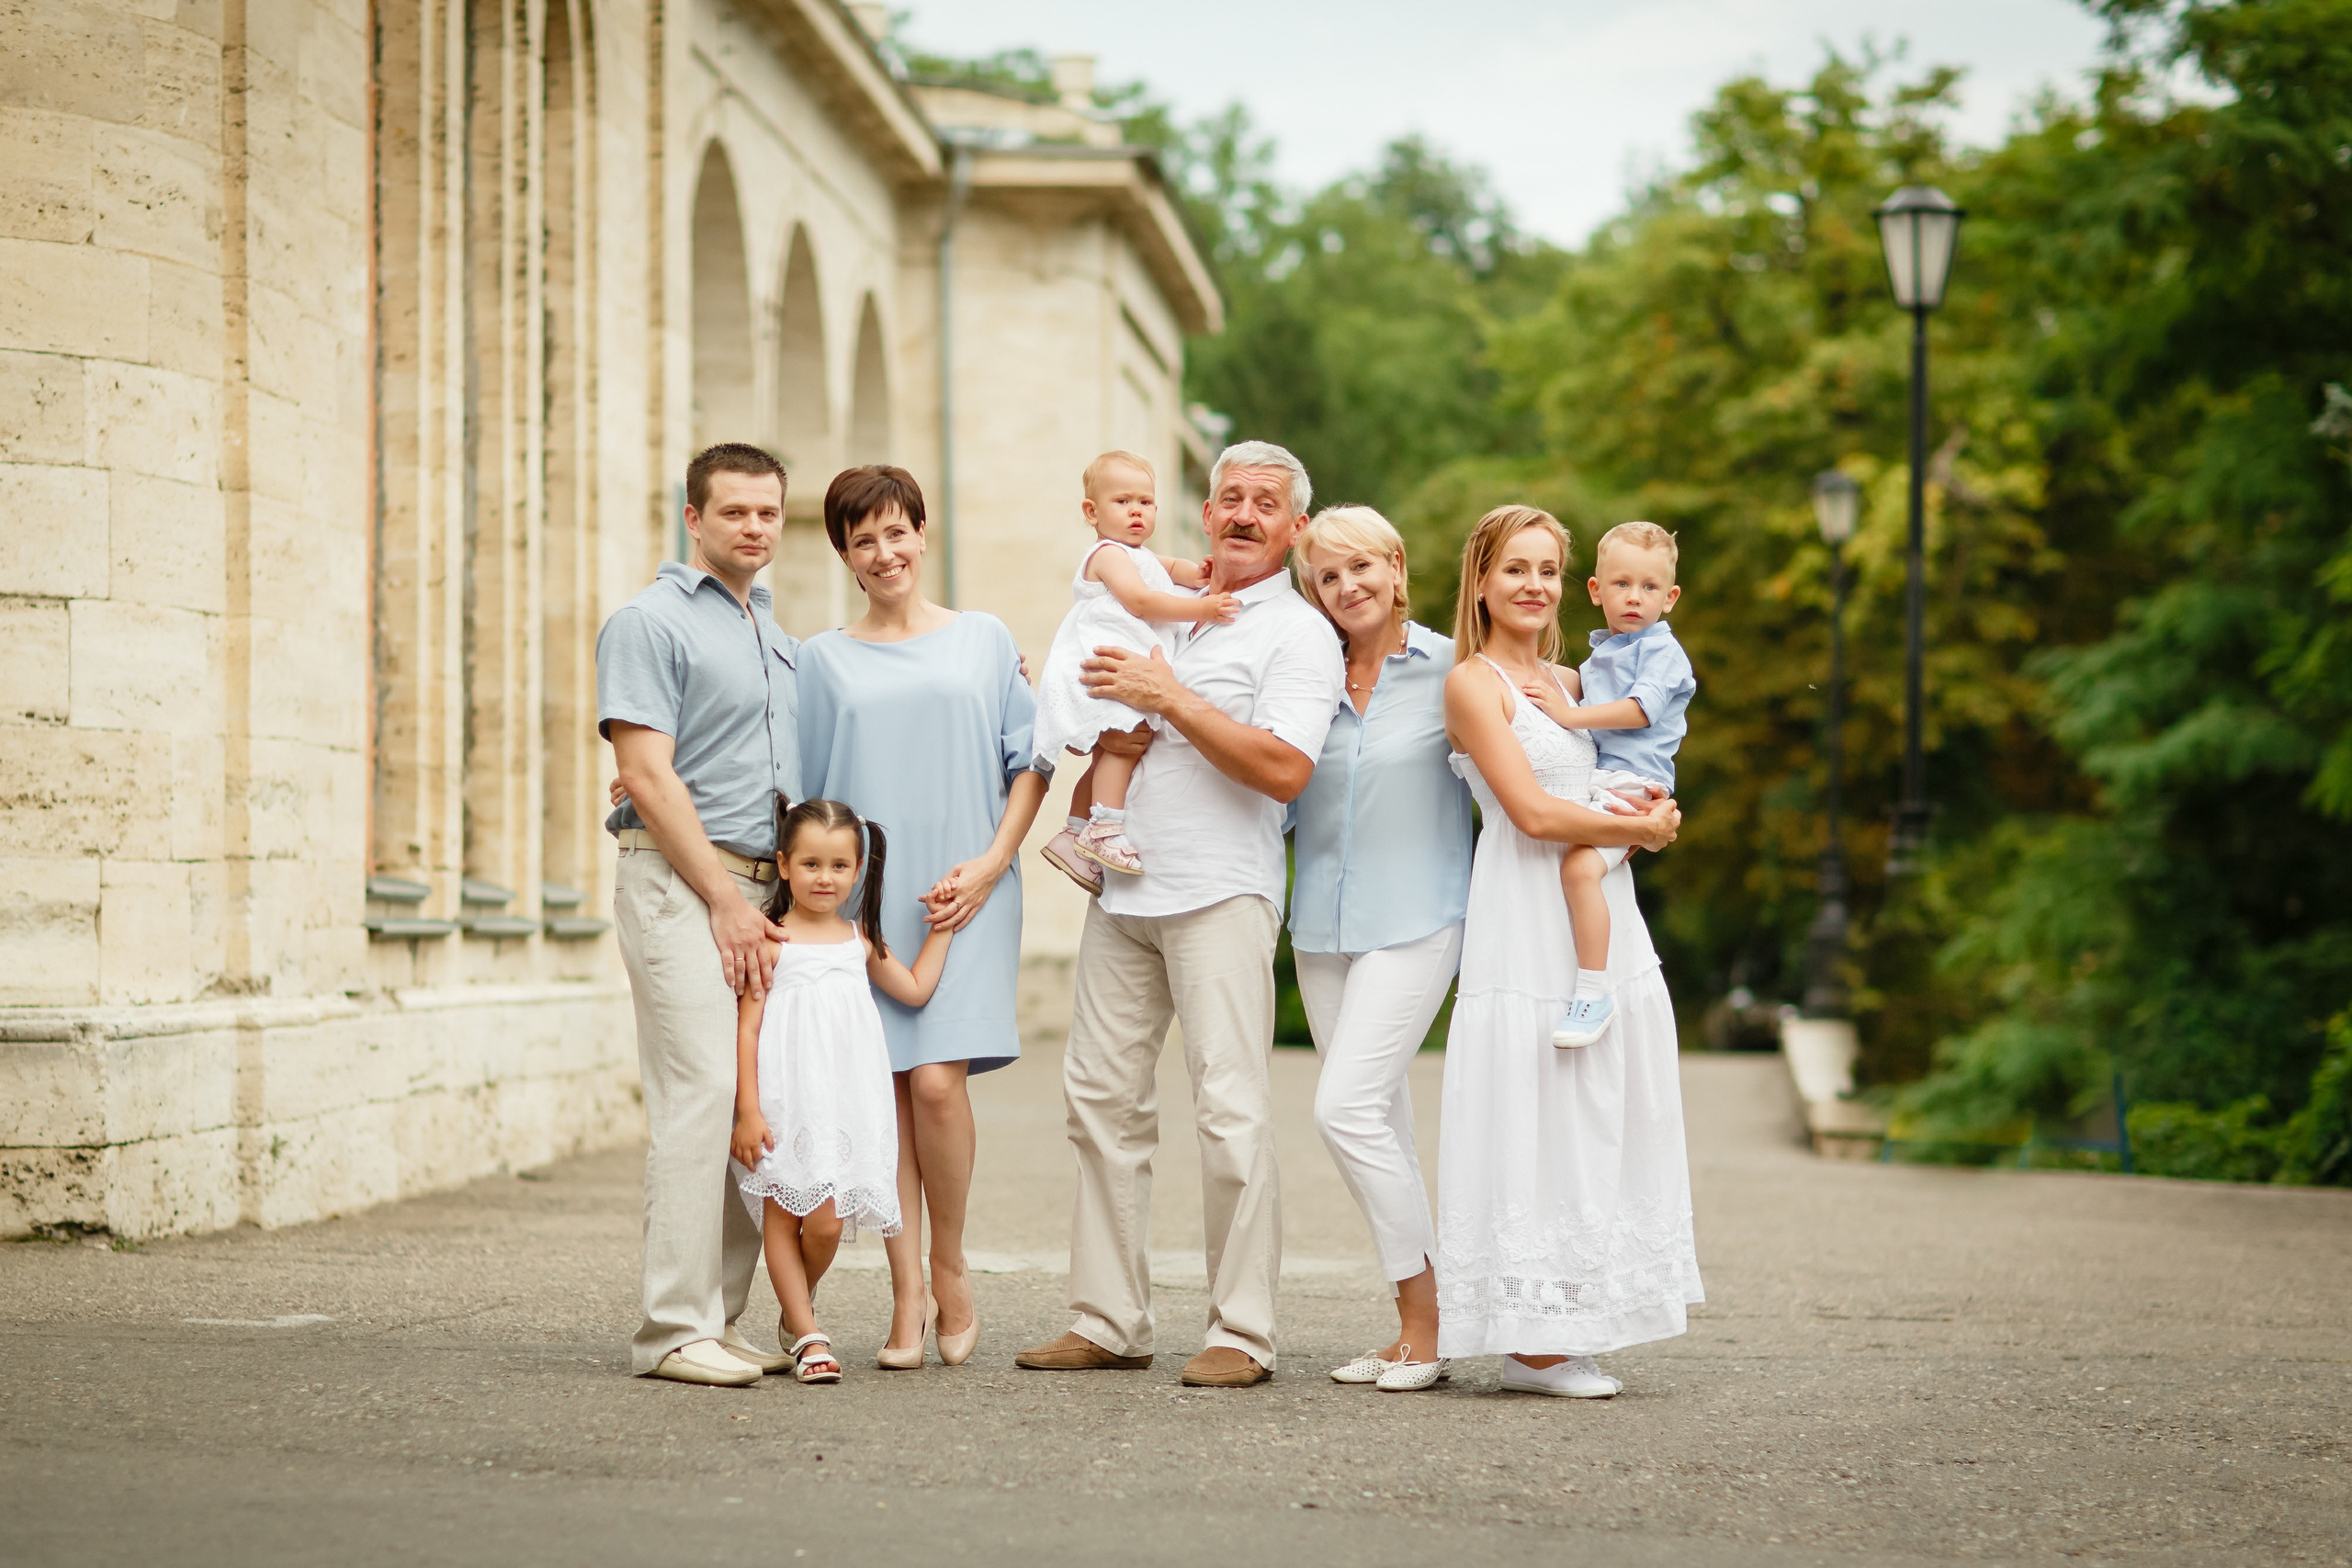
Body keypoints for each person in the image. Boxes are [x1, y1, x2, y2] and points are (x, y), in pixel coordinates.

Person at [1016, 439, 1344, 1389]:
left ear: (1295, 528)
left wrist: (1172, 697)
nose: (1243, 514)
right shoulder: (1153, 600)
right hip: (1123, 888)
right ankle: (1108, 1318)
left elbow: (1284, 767)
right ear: (1205, 515)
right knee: (1100, 1104)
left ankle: (1241, 1332)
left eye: (1265, 503)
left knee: (1230, 1110)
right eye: (1228, 498)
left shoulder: (1298, 635)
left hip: (1220, 892)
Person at [1437, 504, 1700, 1399]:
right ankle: (1530, 1340)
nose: (1534, 585)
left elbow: (1629, 754)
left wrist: (1648, 814)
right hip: (1525, 904)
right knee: (1534, 1105)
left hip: (1596, 911)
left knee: (1594, 1111)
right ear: (1481, 579)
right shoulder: (1474, 684)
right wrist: (1649, 831)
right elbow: (1535, 814)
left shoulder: (1569, 676)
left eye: (1548, 569)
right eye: (1517, 568)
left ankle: (1574, 1318)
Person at [796, 465, 1048, 1371]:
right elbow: (805, 792)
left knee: (937, 1083)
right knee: (887, 1095)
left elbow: (1033, 761)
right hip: (867, 904)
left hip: (971, 886)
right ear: (845, 557)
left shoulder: (984, 639)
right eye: (864, 540)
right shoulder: (820, 660)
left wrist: (990, 863)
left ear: (921, 532)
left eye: (897, 531)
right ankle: (904, 1294)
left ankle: (949, 1263)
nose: (884, 551)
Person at [596, 443, 805, 1388]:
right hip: (683, 886)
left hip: (762, 893)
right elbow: (645, 771)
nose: (754, 527)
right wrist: (722, 900)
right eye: (734, 513)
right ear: (694, 518)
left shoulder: (772, 632)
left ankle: (716, 1319)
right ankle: (670, 1331)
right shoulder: (648, 622)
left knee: (745, 1109)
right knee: (699, 1096)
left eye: (768, 512)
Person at [1287, 505, 1474, 1393]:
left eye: (1362, 566)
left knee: (1344, 1110)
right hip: (1320, 928)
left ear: (1398, 568)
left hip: (1420, 917)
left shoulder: (1454, 668)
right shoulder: (1305, 677)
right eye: (1327, 575)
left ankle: (1428, 1324)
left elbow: (1552, 723)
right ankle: (1416, 1328)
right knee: (1382, 1124)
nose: (1347, 586)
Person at [729, 797, 958, 1385]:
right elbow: (748, 1027)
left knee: (826, 1223)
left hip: (844, 1101)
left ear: (858, 870)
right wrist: (747, 1110)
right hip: (784, 1100)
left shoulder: (859, 940)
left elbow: (912, 989)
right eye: (810, 864)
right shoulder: (771, 940)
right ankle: (809, 1335)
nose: (824, 878)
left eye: (837, 865)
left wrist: (944, 929)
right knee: (782, 1218)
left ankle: (792, 1308)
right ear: (783, 865)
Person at [1519, 520, 1697, 1049]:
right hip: (1604, 779)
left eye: (1649, 588)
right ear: (1596, 591)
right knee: (1574, 869)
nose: (1635, 598)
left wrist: (1567, 716)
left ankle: (1594, 990)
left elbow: (1639, 712)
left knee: (1578, 868)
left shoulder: (1661, 654)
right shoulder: (1602, 655)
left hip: (1636, 784)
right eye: (1621, 584)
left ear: (1670, 598)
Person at [1035, 451, 1237, 886]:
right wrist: (1202, 606)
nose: (1136, 512)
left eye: (1146, 502)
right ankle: (1105, 826)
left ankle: (1073, 833)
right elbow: (1140, 601)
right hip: (1105, 662)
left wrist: (1200, 571)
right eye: (1123, 502)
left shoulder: (1138, 555)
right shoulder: (1108, 555)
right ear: (1092, 512)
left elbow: (1173, 570)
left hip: (1122, 665)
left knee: (1113, 749)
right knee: (1125, 742)